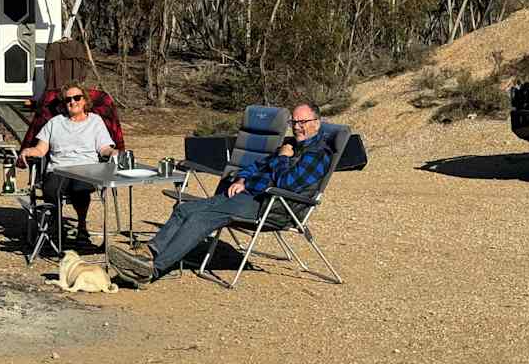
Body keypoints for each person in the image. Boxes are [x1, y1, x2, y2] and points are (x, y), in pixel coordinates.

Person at [108, 102, 333, 284]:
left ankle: (152, 270)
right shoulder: (291, 144)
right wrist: (244, 179)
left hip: (270, 206)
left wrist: (283, 157)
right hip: (249, 195)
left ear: (317, 123)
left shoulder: (317, 154)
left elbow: (285, 183)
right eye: (295, 122)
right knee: (185, 209)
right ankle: (148, 253)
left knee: (201, 218)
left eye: (303, 122)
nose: (297, 126)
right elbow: (259, 165)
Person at [18, 81, 116, 245]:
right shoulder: (55, 122)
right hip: (59, 168)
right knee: (51, 188)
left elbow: (103, 147)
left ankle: (82, 227)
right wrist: (28, 151)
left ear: (85, 100)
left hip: (86, 169)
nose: (72, 102)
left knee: (80, 187)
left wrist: (113, 152)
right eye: (68, 99)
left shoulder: (95, 121)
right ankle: (56, 229)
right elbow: (41, 150)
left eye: (77, 97)